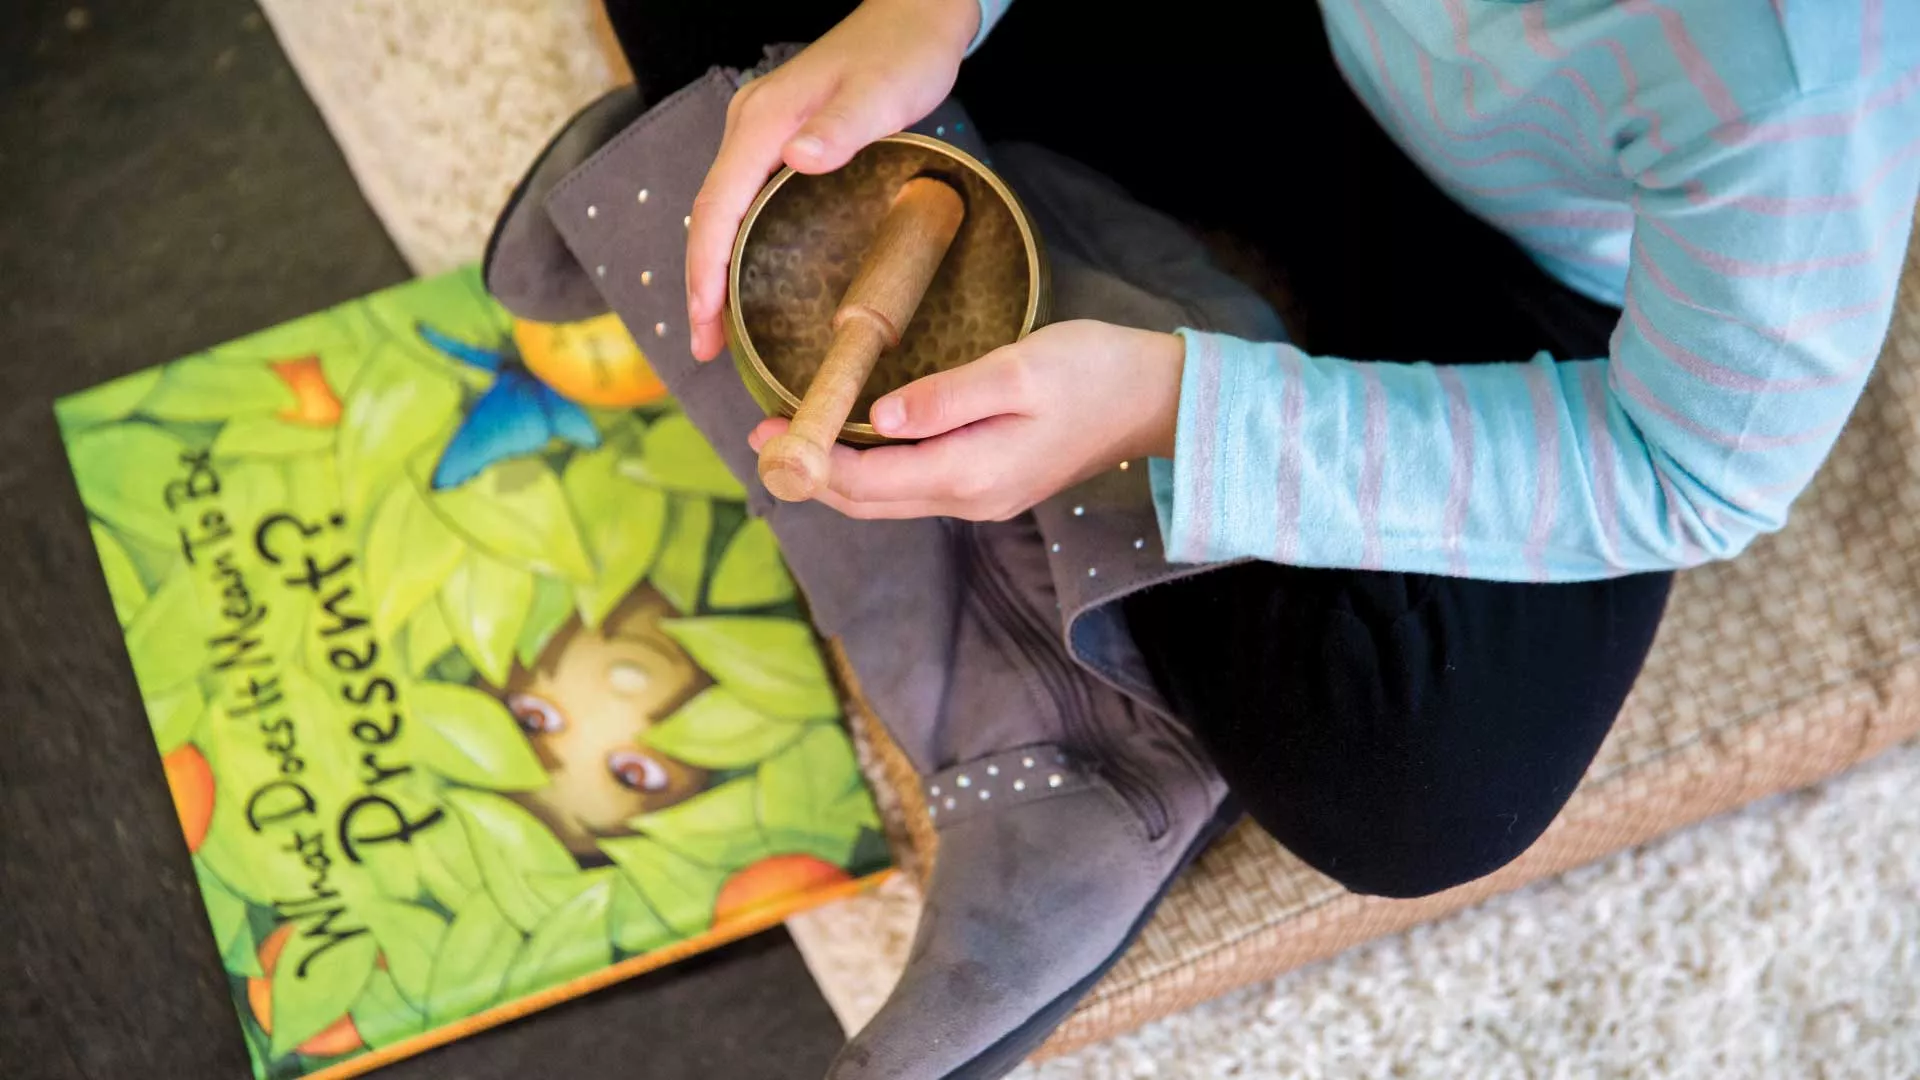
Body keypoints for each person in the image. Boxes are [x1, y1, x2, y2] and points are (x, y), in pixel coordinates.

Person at [603, 0, 1920, 898]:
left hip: (1536, 280)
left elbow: (1688, 466)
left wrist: (1189, 412)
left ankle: (1109, 348)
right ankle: (1048, 276)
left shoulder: (1800, 86)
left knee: (1412, 775)